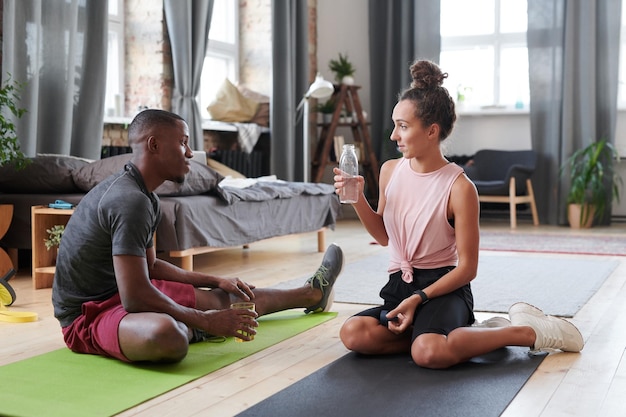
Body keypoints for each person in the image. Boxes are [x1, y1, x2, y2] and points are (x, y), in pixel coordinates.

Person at [333, 60, 583, 370]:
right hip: (400, 286)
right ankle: (447, 338)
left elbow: (467, 268)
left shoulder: (460, 187)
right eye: (395, 124)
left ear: (431, 131)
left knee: (427, 354)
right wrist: (357, 199)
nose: (393, 136)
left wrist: (420, 298)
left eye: (403, 126)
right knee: (353, 333)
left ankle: (526, 331)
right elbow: (384, 237)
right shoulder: (389, 171)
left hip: (443, 290)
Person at [51, 109, 343, 363]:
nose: (190, 153)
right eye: (183, 143)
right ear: (154, 145)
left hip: (124, 294)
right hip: (88, 316)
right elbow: (136, 297)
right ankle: (198, 329)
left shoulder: (146, 197)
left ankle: (312, 294)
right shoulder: (130, 201)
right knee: (167, 335)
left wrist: (215, 280)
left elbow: (151, 269)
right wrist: (206, 320)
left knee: (229, 297)